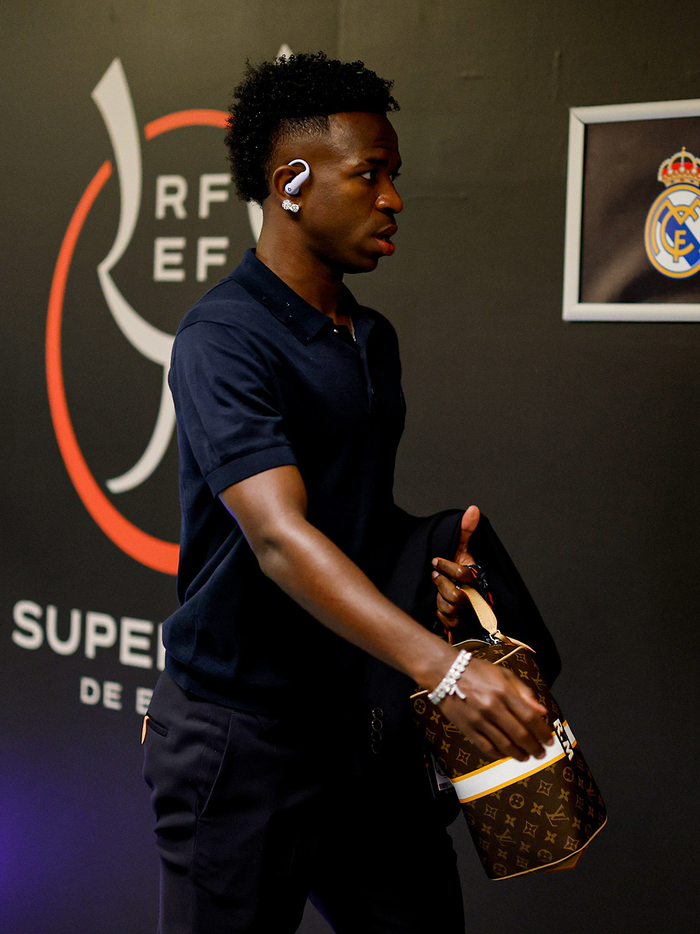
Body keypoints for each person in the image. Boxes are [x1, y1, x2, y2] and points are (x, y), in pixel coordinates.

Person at [143, 52, 559, 934]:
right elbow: (279, 538)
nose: (393, 199)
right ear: (291, 183)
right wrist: (444, 669)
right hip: (240, 738)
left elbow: (352, 518)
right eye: (370, 174)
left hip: (359, 724)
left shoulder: (370, 336)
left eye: (394, 175)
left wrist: (427, 567)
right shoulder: (223, 336)